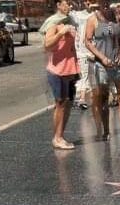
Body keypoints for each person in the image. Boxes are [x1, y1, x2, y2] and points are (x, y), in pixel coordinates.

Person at [85, 0, 120, 140]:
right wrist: (102, 57)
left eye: (107, 2)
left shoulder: (116, 17)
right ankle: (106, 130)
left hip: (117, 63)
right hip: (101, 64)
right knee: (103, 98)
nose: (105, 4)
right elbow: (87, 41)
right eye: (102, 2)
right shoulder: (93, 19)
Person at [43, 0, 80, 150]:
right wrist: (61, 32)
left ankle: (60, 135)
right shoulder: (53, 22)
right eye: (66, 3)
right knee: (60, 104)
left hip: (70, 69)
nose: (69, 6)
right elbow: (47, 44)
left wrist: (77, 65)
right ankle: (57, 138)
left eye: (70, 4)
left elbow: (72, 46)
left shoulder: (70, 21)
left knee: (67, 103)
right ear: (58, 5)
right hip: (57, 69)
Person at [71, 0, 94, 110]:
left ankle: (107, 96)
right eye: (87, 1)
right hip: (83, 51)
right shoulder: (78, 16)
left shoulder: (97, 15)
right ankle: (82, 99)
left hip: (95, 50)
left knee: (97, 76)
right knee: (84, 75)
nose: (89, 3)